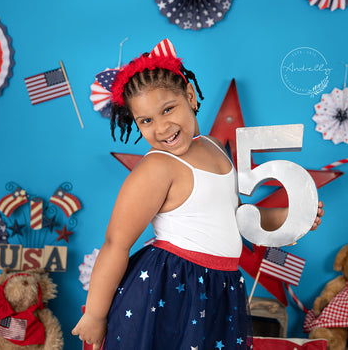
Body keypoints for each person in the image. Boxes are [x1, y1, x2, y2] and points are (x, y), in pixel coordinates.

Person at [72, 38, 324, 349]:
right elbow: (116, 244)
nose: (162, 127)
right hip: (173, 285)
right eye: (146, 121)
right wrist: (96, 316)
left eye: (168, 109)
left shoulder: (215, 147)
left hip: (220, 285)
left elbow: (234, 218)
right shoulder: (158, 168)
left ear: (190, 96)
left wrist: (289, 217)